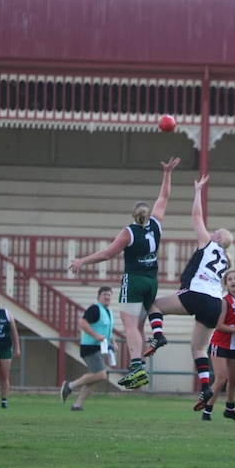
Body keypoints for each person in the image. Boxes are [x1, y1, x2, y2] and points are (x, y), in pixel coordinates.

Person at [68, 157, 181, 390]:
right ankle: (139, 366)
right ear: (148, 213)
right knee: (138, 328)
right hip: (152, 281)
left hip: (135, 280)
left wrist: (83, 261)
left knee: (129, 326)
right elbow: (164, 197)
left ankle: (137, 367)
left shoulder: (128, 232)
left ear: (133, 215)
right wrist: (167, 173)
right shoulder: (157, 224)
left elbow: (108, 254)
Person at [143, 174, 232, 410]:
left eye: (215, 232)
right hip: (215, 302)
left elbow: (196, 216)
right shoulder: (226, 259)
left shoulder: (209, 244)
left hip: (197, 293)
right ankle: (205, 387)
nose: (211, 232)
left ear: (218, 238)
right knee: (198, 348)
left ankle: (158, 334)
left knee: (153, 304)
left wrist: (197, 192)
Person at [202, 270, 235, 422]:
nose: (233, 281)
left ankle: (230, 409)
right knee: (221, 379)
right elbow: (219, 325)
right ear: (226, 284)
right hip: (219, 343)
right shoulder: (224, 301)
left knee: (234, 380)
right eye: (230, 279)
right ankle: (207, 411)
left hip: (234, 345)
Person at [60, 286, 117, 411]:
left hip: (100, 347)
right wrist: (96, 335)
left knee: (94, 378)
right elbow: (82, 323)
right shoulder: (95, 309)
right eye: (104, 294)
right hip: (90, 346)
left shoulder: (108, 312)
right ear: (99, 296)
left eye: (109, 295)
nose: (107, 297)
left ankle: (77, 405)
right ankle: (70, 386)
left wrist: (113, 342)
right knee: (101, 375)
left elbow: (107, 329)